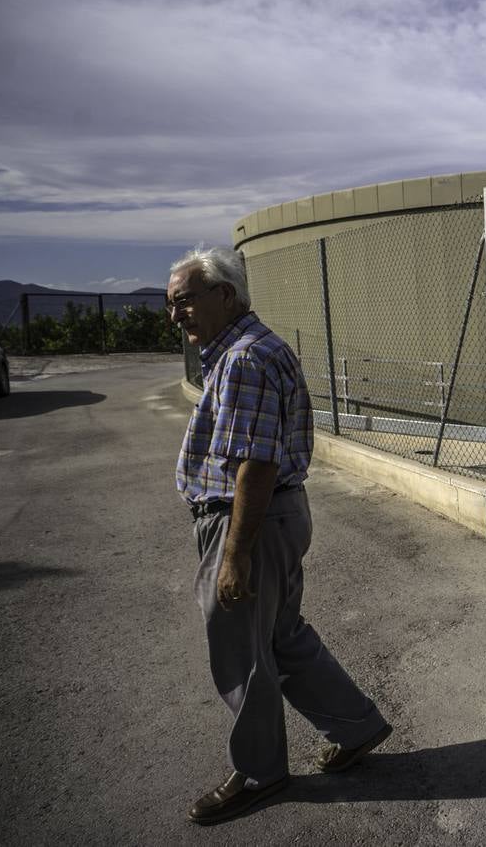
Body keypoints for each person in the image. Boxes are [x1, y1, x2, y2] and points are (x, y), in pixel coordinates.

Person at [168, 245, 391, 825]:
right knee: (282, 636)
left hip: (251, 522)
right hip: (273, 518)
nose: (177, 315)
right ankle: (356, 726)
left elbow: (255, 465)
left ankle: (260, 773)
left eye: (186, 301)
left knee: (242, 648)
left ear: (225, 294)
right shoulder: (244, 350)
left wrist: (234, 556)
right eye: (171, 306)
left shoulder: (243, 358)